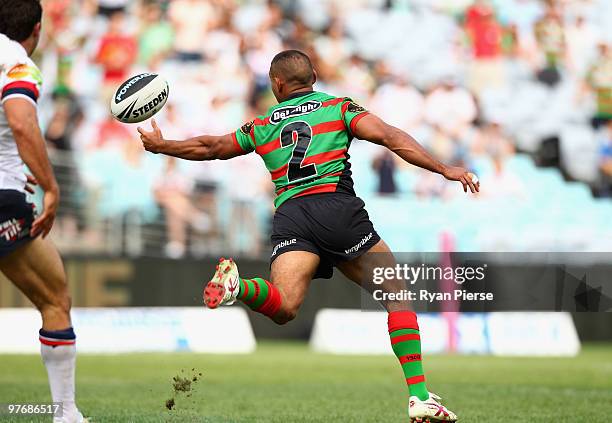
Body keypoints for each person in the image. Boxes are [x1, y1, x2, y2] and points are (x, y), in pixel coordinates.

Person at [138, 50, 480, 422]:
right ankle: (419, 397)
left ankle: (240, 287)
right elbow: (389, 136)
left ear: (277, 85)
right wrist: (443, 168)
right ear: (314, 76)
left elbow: (213, 148)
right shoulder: (339, 108)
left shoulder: (263, 124)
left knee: (284, 307)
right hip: (335, 206)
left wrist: (163, 145)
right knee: (397, 296)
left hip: (291, 216)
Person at [0, 1, 86, 422]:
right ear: (36, 30)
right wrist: (49, 186)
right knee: (55, 298)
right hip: (2, 201)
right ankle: (65, 413)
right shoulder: (16, 63)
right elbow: (20, 122)